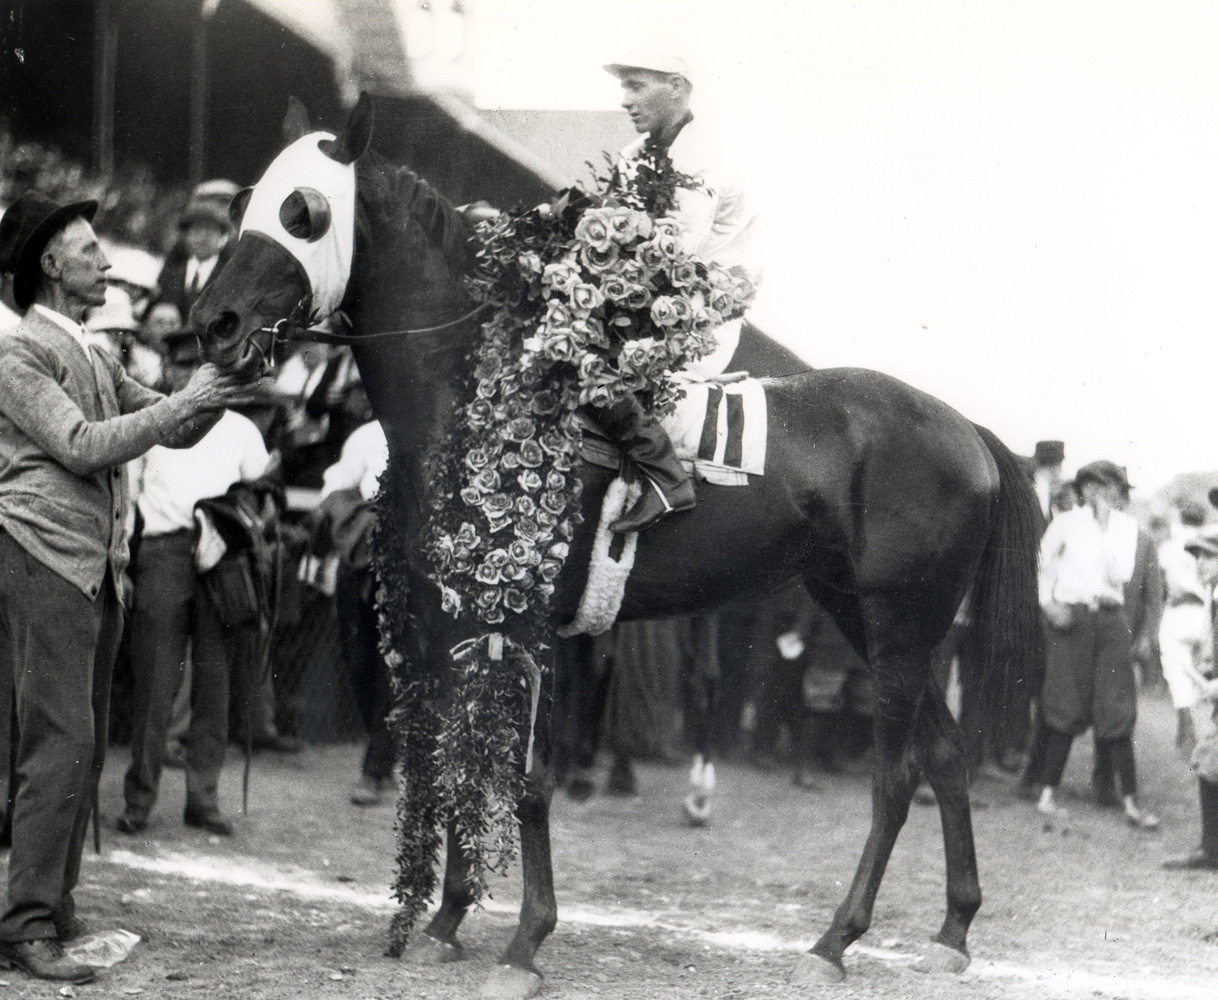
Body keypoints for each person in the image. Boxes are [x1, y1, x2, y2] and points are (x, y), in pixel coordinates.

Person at [0, 192, 241, 984]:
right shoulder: (19, 354)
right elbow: (80, 444)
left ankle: (55, 908)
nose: (107, 265)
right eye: (91, 251)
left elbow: (171, 422)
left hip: (89, 565)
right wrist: (188, 395)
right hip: (43, 555)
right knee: (59, 741)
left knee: (84, 741)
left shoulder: (93, 351)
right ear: (49, 264)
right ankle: (26, 922)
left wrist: (227, 377)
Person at [116, 328, 273, 838]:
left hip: (222, 560)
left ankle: (202, 799)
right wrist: (124, 564)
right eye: (182, 366)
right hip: (163, 552)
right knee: (156, 685)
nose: (192, 376)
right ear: (169, 369)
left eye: (203, 368)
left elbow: (261, 492)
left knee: (216, 682)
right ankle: (139, 799)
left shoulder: (242, 429)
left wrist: (235, 520)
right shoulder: (151, 423)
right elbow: (126, 503)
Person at [597, 52, 762, 533]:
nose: (625, 100)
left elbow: (670, 252)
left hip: (699, 316)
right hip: (651, 297)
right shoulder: (631, 157)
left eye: (635, 86)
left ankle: (667, 479)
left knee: (589, 359)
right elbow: (614, 237)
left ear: (676, 86)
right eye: (623, 87)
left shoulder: (708, 158)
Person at [1026, 460, 1158, 829]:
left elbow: (1122, 574)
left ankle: (1131, 801)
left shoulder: (1129, 529)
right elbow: (1040, 564)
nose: (1104, 493)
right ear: (1084, 489)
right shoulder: (1066, 523)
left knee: (1116, 704)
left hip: (1111, 620)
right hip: (1072, 618)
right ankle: (1047, 794)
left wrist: (1104, 533)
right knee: (1064, 701)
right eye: (1096, 486)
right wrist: (1048, 603)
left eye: (1111, 487)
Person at [315, 417, 391, 805]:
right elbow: (335, 487)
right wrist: (356, 521)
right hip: (361, 557)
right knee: (357, 659)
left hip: (410, 561)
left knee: (390, 663)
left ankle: (374, 769)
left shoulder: (438, 428)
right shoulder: (367, 434)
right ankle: (385, 754)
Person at [1162, 523, 1218, 870]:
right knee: (1209, 764)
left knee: (1209, 761)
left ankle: (1210, 852)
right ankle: (1210, 851)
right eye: (1196, 556)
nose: (1200, 563)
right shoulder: (1212, 597)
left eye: (1208, 556)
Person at [1159, 502, 1211, 752]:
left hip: (1179, 613)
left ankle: (1187, 730)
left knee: (1176, 670)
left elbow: (1166, 583)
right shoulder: (1210, 538)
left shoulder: (1171, 546)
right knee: (1206, 673)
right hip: (1205, 613)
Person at [154, 179, 239, 327]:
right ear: (185, 236)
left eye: (210, 231)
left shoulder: (231, 272)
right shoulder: (171, 271)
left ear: (221, 237)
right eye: (196, 231)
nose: (202, 238)